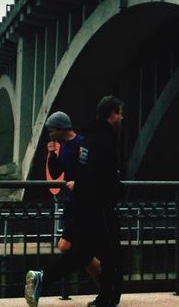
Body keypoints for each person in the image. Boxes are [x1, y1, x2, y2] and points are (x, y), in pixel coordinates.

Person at [25, 111, 101, 307]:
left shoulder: (82, 145)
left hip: (83, 205)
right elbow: (58, 171)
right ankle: (107, 288)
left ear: (61, 128)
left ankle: (44, 278)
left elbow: (94, 172)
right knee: (81, 253)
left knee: (68, 247)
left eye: (51, 130)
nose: (50, 134)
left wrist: (80, 184)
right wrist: (51, 154)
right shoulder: (64, 147)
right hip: (72, 204)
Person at [73, 96, 124, 307]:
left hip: (88, 206)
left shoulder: (87, 139)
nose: (122, 118)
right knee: (111, 254)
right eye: (120, 113)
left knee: (101, 252)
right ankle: (108, 298)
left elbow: (83, 171)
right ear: (112, 114)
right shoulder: (105, 140)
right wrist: (118, 189)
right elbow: (104, 175)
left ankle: (107, 297)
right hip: (102, 206)